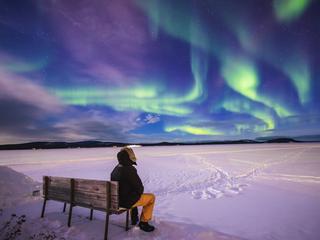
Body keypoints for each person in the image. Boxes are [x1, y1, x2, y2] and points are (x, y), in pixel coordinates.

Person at [111, 147, 156, 232]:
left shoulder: (115, 169)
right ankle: (144, 222)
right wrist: (138, 192)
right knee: (151, 197)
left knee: (130, 193)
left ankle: (134, 218)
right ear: (129, 156)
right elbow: (139, 188)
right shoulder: (129, 169)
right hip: (125, 202)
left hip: (116, 200)